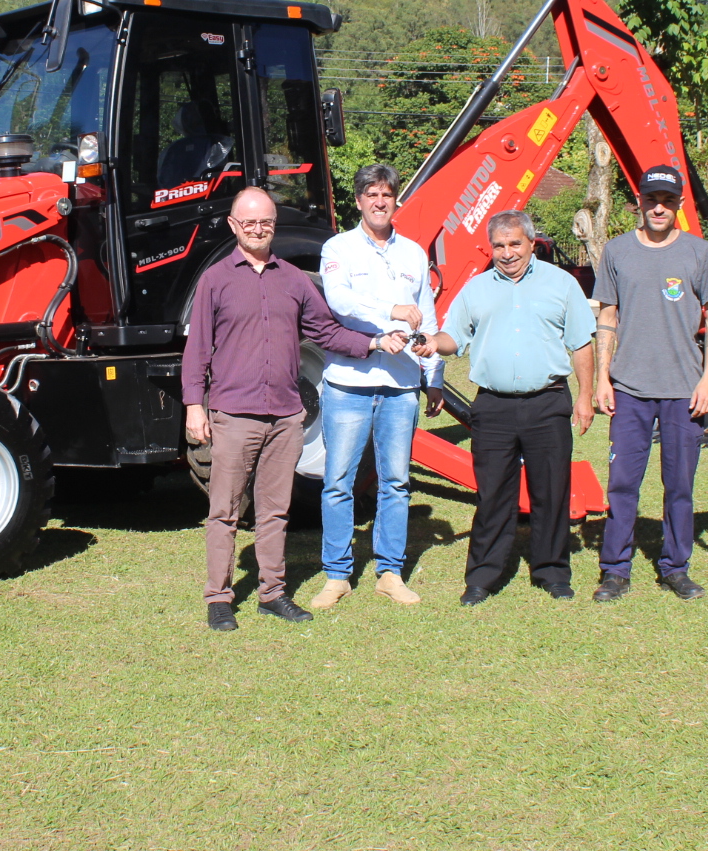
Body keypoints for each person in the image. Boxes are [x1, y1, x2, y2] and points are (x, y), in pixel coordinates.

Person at [182, 187, 393, 632]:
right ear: (234, 226)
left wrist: (372, 341)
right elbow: (197, 349)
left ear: (273, 225)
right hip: (234, 414)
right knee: (225, 510)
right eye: (249, 223)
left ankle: (272, 594)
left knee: (275, 510)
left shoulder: (294, 280)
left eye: (265, 223)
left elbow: (327, 331)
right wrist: (192, 407)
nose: (258, 230)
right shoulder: (215, 280)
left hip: (285, 415)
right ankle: (219, 598)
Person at [414, 210, 596, 605]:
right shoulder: (476, 289)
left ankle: (552, 571)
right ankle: (483, 576)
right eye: (499, 245)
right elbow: (453, 337)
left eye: (515, 243)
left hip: (547, 402)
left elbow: (582, 342)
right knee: (494, 493)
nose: (507, 252)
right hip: (493, 406)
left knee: (551, 491)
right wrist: (432, 342)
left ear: (532, 243)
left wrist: (585, 396)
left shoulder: (561, 284)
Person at [310, 164, 443, 610]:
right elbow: (339, 301)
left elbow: (428, 316)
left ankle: (390, 572)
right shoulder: (338, 248)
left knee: (397, 482)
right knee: (338, 482)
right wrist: (392, 310)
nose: (380, 202)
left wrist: (435, 374)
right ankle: (337, 575)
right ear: (359, 201)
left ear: (395, 200)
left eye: (387, 194)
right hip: (349, 383)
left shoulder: (412, 253)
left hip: (401, 385)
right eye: (372, 194)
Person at [592, 166, 708, 602]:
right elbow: (607, 316)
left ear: (680, 205)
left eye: (667, 200)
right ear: (639, 202)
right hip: (629, 387)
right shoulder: (616, 251)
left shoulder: (699, 253)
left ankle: (675, 566)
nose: (659, 207)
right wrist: (603, 378)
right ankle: (615, 570)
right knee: (623, 483)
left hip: (684, 388)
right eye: (652, 199)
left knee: (680, 486)